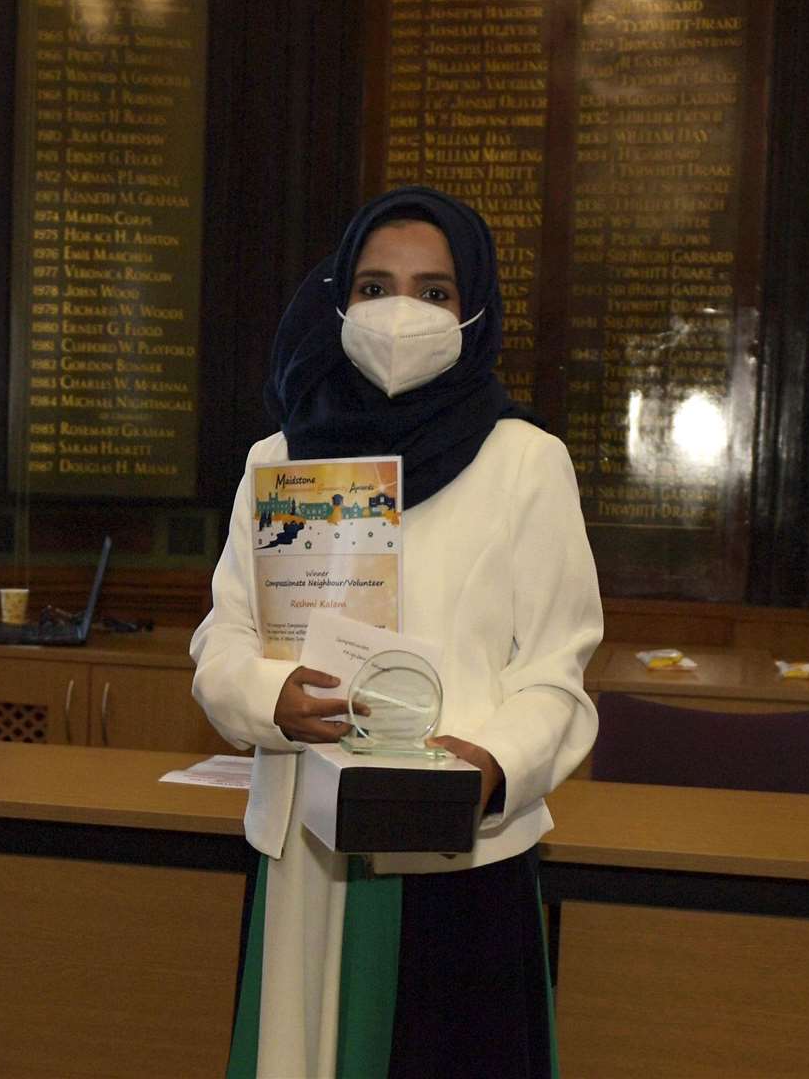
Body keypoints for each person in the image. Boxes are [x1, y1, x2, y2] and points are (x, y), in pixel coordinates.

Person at [191, 185, 602, 1078]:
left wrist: (489, 766)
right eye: (375, 288)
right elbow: (221, 641)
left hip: (458, 855)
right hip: (307, 847)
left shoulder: (525, 462)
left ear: (476, 310)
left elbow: (556, 676)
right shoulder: (281, 459)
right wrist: (270, 696)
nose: (400, 313)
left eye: (434, 290)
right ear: (339, 300)